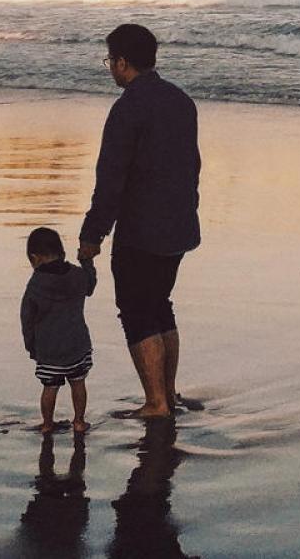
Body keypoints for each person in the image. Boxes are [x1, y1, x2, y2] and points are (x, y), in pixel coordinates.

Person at [78, 24, 201, 420]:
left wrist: (92, 234)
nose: (110, 68)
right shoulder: (181, 101)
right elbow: (192, 166)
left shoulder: (127, 108)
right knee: (160, 306)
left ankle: (156, 403)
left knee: (136, 310)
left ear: (122, 62)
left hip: (142, 229)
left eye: (110, 60)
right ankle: (168, 393)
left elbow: (111, 178)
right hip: (179, 225)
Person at [21, 226, 97, 434]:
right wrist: (87, 262)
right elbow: (90, 286)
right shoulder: (77, 275)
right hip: (77, 345)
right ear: (62, 253)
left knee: (50, 387)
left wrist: (31, 346)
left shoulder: (36, 283)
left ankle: (47, 423)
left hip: (49, 349)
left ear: (35, 258)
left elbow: (27, 318)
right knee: (78, 383)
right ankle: (79, 421)